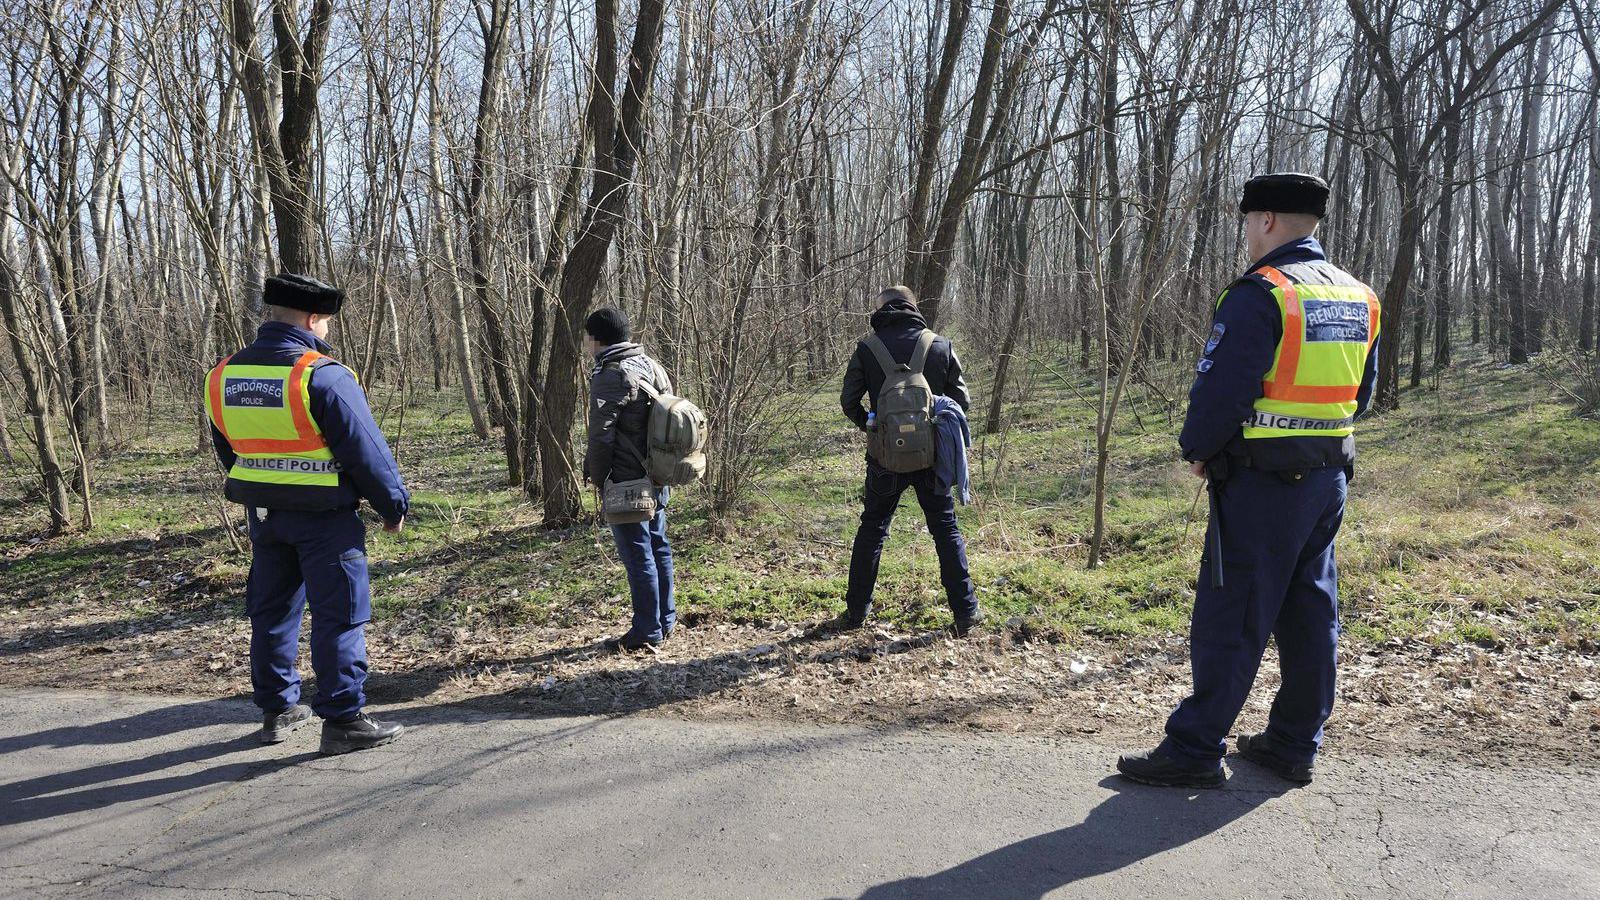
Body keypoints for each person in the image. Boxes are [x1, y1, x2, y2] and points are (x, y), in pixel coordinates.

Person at [1117, 173, 1381, 788]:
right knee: (1310, 609)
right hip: (1327, 477)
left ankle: (1195, 748)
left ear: (1264, 220)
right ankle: (1293, 742)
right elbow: (1360, 395)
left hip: (1263, 484)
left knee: (1233, 611)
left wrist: (1200, 449)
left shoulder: (1263, 293)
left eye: (1245, 222)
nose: (1244, 233)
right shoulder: (1357, 296)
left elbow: (1222, 390)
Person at [205, 273, 409, 754]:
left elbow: (228, 448)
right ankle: (342, 719)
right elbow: (365, 450)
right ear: (314, 318)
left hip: (265, 516)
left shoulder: (223, 375)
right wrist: (392, 504)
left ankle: (277, 710)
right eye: (327, 321)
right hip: (325, 519)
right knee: (339, 614)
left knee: (272, 612)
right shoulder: (321, 374)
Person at [834, 285, 983, 636]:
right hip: (932, 459)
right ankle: (965, 613)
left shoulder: (867, 348)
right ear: (913, 308)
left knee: (872, 530)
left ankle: (856, 614)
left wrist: (872, 426)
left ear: (882, 309)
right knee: (945, 529)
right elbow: (963, 403)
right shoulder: (940, 345)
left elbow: (848, 401)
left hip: (884, 457)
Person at [581, 306, 677, 652]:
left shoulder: (611, 372)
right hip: (658, 472)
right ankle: (666, 621)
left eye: (588, 337)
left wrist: (597, 474)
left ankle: (647, 630)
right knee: (658, 547)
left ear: (596, 339)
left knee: (638, 554)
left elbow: (601, 434)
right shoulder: (651, 364)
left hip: (627, 481)